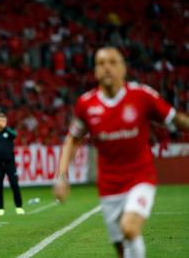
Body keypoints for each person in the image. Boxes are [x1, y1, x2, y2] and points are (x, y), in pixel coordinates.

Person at [54, 47, 189, 258]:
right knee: (121, 248)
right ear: (95, 71)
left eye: (112, 62)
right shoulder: (86, 104)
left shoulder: (142, 96)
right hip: (109, 186)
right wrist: (61, 176)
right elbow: (73, 138)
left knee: (129, 228)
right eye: (101, 63)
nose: (107, 67)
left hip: (140, 178)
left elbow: (175, 119)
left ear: (123, 68)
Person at [0, 113, 25, 216]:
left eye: (3, 121)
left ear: (6, 122)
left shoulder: (9, 133)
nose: (0, 122)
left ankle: (19, 207)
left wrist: (5, 128)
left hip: (10, 164)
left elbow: (15, 134)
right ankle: (0, 208)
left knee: (14, 184)